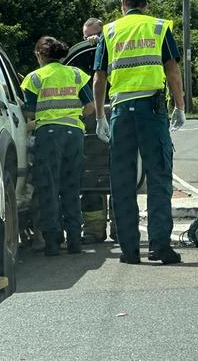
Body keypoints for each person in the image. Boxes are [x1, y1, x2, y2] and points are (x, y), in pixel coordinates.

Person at [93, 0, 185, 265]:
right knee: (158, 177)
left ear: (122, 5)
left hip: (121, 111)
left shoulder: (109, 31)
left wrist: (99, 117)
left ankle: (129, 250)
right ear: (146, 5)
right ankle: (160, 247)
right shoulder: (158, 27)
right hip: (151, 109)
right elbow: (172, 69)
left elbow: (99, 78)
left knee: (122, 182)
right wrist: (180, 107)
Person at [21, 36, 95, 256]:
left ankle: (53, 242)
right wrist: (71, 116)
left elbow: (29, 112)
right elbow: (90, 106)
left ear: (40, 55)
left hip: (48, 135)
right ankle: (74, 241)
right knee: (71, 188)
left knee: (49, 188)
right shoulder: (75, 74)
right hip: (74, 134)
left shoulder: (34, 78)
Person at [80, 17, 116, 245]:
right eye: (86, 36)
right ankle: (94, 230)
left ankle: (121, 228)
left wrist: (102, 44)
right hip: (89, 124)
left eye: (95, 34)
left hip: (114, 118)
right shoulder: (81, 58)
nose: (91, 39)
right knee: (91, 181)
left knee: (118, 179)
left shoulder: (114, 50)